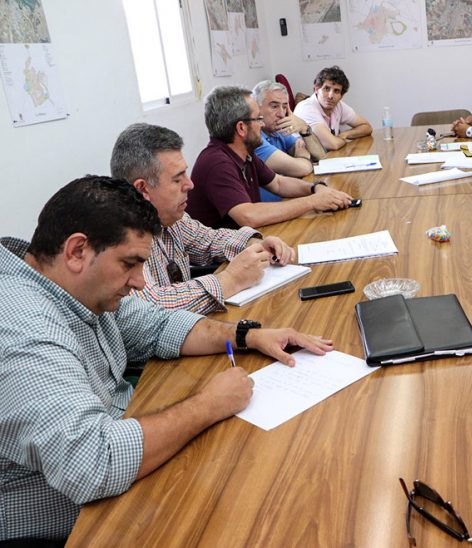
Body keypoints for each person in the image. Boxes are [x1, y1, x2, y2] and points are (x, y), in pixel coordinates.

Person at [0, 176, 334, 542]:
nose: (141, 283)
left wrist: (247, 335)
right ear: (77, 250)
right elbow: (95, 463)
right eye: (130, 264)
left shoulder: (68, 285)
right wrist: (209, 404)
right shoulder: (24, 331)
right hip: (69, 521)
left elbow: (154, 323)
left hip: (116, 459)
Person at [111, 122, 295, 315]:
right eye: (177, 179)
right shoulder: (118, 236)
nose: (190, 184)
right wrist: (231, 280)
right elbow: (151, 310)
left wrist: (255, 244)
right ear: (143, 189)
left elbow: (208, 240)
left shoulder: (170, 217)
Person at [187, 86, 352, 229]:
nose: (263, 124)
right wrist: (313, 201)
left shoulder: (245, 153)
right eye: (258, 119)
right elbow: (249, 216)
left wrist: (315, 188)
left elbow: (278, 183)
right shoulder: (217, 163)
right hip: (222, 262)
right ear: (241, 128)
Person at [252, 79, 326, 179]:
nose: (282, 114)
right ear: (256, 107)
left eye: (284, 107)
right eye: (274, 106)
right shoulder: (254, 137)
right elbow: (303, 169)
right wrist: (302, 157)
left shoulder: (278, 129)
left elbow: (320, 156)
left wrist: (304, 128)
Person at [293, 66, 373, 151]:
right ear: (316, 89)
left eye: (336, 91)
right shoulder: (306, 108)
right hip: (307, 161)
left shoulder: (338, 106)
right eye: (326, 89)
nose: (331, 96)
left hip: (327, 158)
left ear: (341, 96)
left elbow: (367, 127)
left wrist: (346, 134)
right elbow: (332, 144)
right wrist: (342, 140)